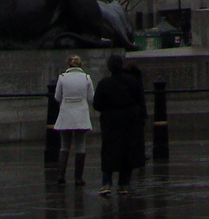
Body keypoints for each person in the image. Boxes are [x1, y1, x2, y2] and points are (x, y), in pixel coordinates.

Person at [92, 52, 143, 196]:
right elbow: (140, 100)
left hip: (111, 121)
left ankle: (106, 183)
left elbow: (97, 104)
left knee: (109, 151)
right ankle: (124, 183)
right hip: (129, 119)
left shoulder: (104, 83)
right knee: (128, 151)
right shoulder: (132, 82)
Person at [53, 55, 95, 186]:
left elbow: (57, 97)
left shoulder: (62, 77)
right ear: (80, 65)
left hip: (66, 113)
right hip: (81, 114)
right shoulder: (86, 77)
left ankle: (61, 175)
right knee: (80, 146)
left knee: (64, 146)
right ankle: (78, 178)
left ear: (68, 65)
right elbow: (91, 98)